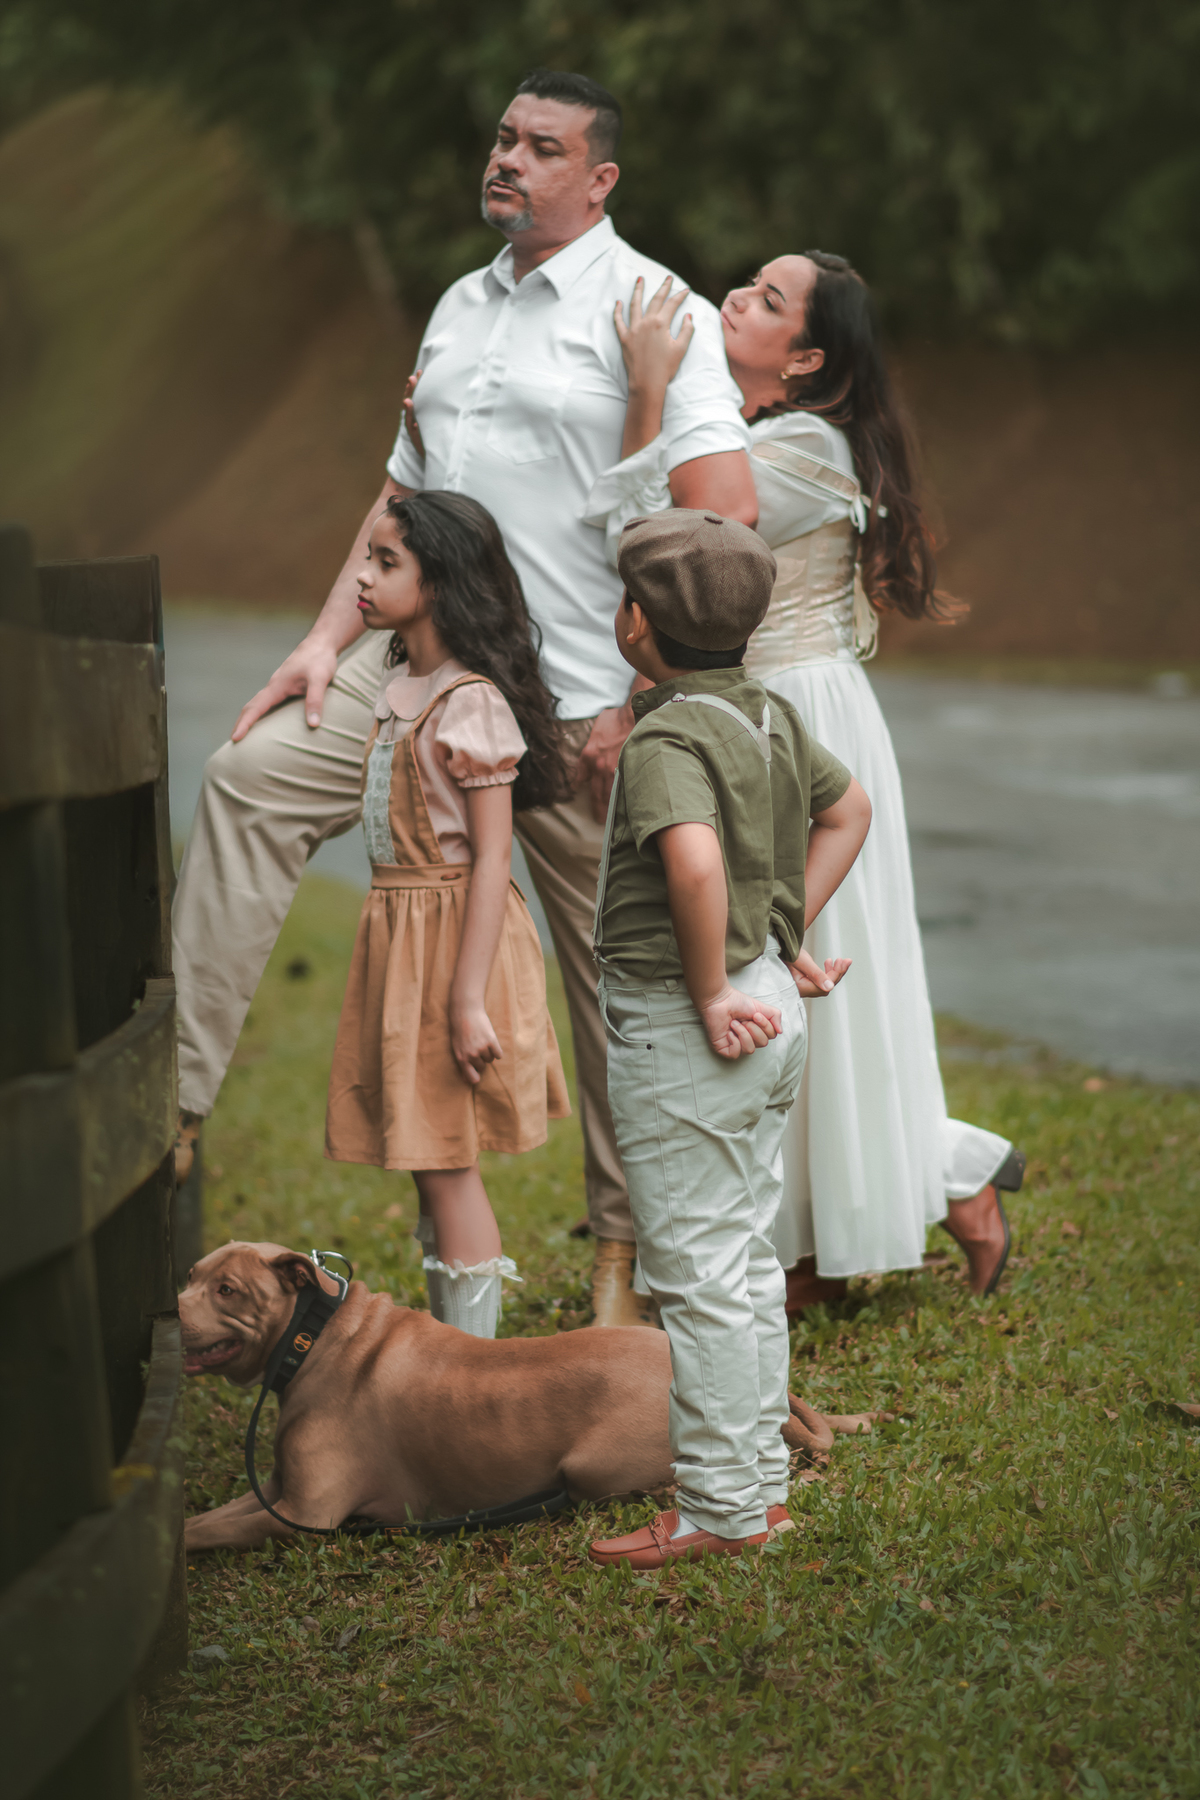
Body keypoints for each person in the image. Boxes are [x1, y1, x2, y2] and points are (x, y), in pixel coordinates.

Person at [170, 69, 756, 1329]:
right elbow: (401, 500)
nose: (510, 161)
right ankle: (173, 1099)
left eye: (544, 148)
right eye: (504, 138)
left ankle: (627, 1266)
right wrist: (324, 639)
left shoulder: (661, 310)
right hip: (413, 684)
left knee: (616, 988)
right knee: (247, 777)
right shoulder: (456, 304)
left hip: (574, 709)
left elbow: (721, 521)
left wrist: (638, 690)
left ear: (599, 180)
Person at [584, 259, 1025, 1305]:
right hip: (745, 717)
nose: (736, 297)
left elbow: (657, 546)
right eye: (746, 285)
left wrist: (647, 394)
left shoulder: (796, 446)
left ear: (810, 356)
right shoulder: (747, 430)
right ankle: (945, 1181)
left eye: (768, 301)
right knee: (774, 965)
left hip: (796, 725)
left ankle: (828, 1242)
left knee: (794, 963)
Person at [587, 511, 871, 1569]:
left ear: (636, 623)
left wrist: (711, 987)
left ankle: (719, 1510)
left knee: (701, 1271)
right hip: (772, 1006)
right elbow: (851, 815)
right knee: (742, 1256)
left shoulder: (667, 734)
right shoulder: (770, 715)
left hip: (691, 1020)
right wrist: (781, 937)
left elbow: (695, 867)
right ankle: (756, 1488)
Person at [323, 491, 570, 1337]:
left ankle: (469, 1369)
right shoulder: (399, 686)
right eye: (369, 556)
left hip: (459, 941)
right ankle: (451, 1359)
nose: (362, 574)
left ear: (442, 582)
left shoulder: (470, 702)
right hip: (403, 933)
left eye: (386, 562)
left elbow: (493, 855)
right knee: (426, 1159)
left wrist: (467, 999)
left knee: (448, 1161)